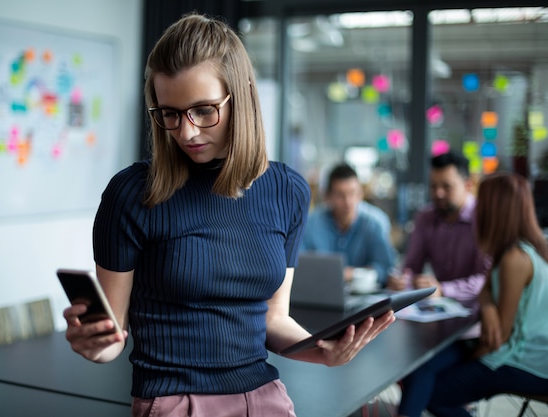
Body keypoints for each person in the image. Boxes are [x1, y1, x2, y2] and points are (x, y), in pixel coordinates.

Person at [63, 13, 394, 417]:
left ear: (241, 97)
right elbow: (113, 336)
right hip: (175, 401)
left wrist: (323, 352)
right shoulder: (132, 194)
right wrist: (93, 344)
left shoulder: (287, 191)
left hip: (266, 395)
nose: (185, 132)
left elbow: (273, 318)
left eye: (203, 111)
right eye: (169, 113)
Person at [426, 171, 548, 416]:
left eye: (481, 203)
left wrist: (471, 359)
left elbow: (498, 339)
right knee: (438, 372)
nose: (477, 209)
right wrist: (489, 306)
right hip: (534, 359)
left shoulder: (514, 259)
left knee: (433, 393)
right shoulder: (525, 249)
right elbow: (485, 292)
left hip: (524, 363)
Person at [389, 151, 489, 417]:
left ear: (468, 184)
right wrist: (403, 279)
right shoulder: (426, 216)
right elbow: (412, 265)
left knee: (420, 373)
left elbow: (487, 281)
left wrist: (444, 289)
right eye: (434, 186)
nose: (439, 193)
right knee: (403, 363)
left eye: (447, 186)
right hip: (433, 325)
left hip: (472, 330)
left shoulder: (485, 218)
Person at [301, 164, 396, 287]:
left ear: (360, 194)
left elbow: (386, 268)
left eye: (352, 193)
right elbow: (299, 265)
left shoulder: (374, 224)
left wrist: (355, 273)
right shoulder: (310, 224)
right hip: (320, 291)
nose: (347, 201)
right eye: (340, 195)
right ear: (328, 196)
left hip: (364, 297)